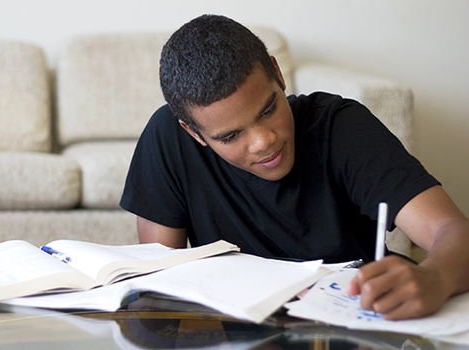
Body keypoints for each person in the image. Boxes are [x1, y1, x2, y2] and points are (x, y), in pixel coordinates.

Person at [120, 14, 469, 320]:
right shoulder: (167, 137)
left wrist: (435, 277)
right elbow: (160, 283)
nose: (263, 141)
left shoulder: (341, 128)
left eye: (268, 109)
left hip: (354, 322)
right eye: (231, 136)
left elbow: (452, 231)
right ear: (193, 133)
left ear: (277, 73)